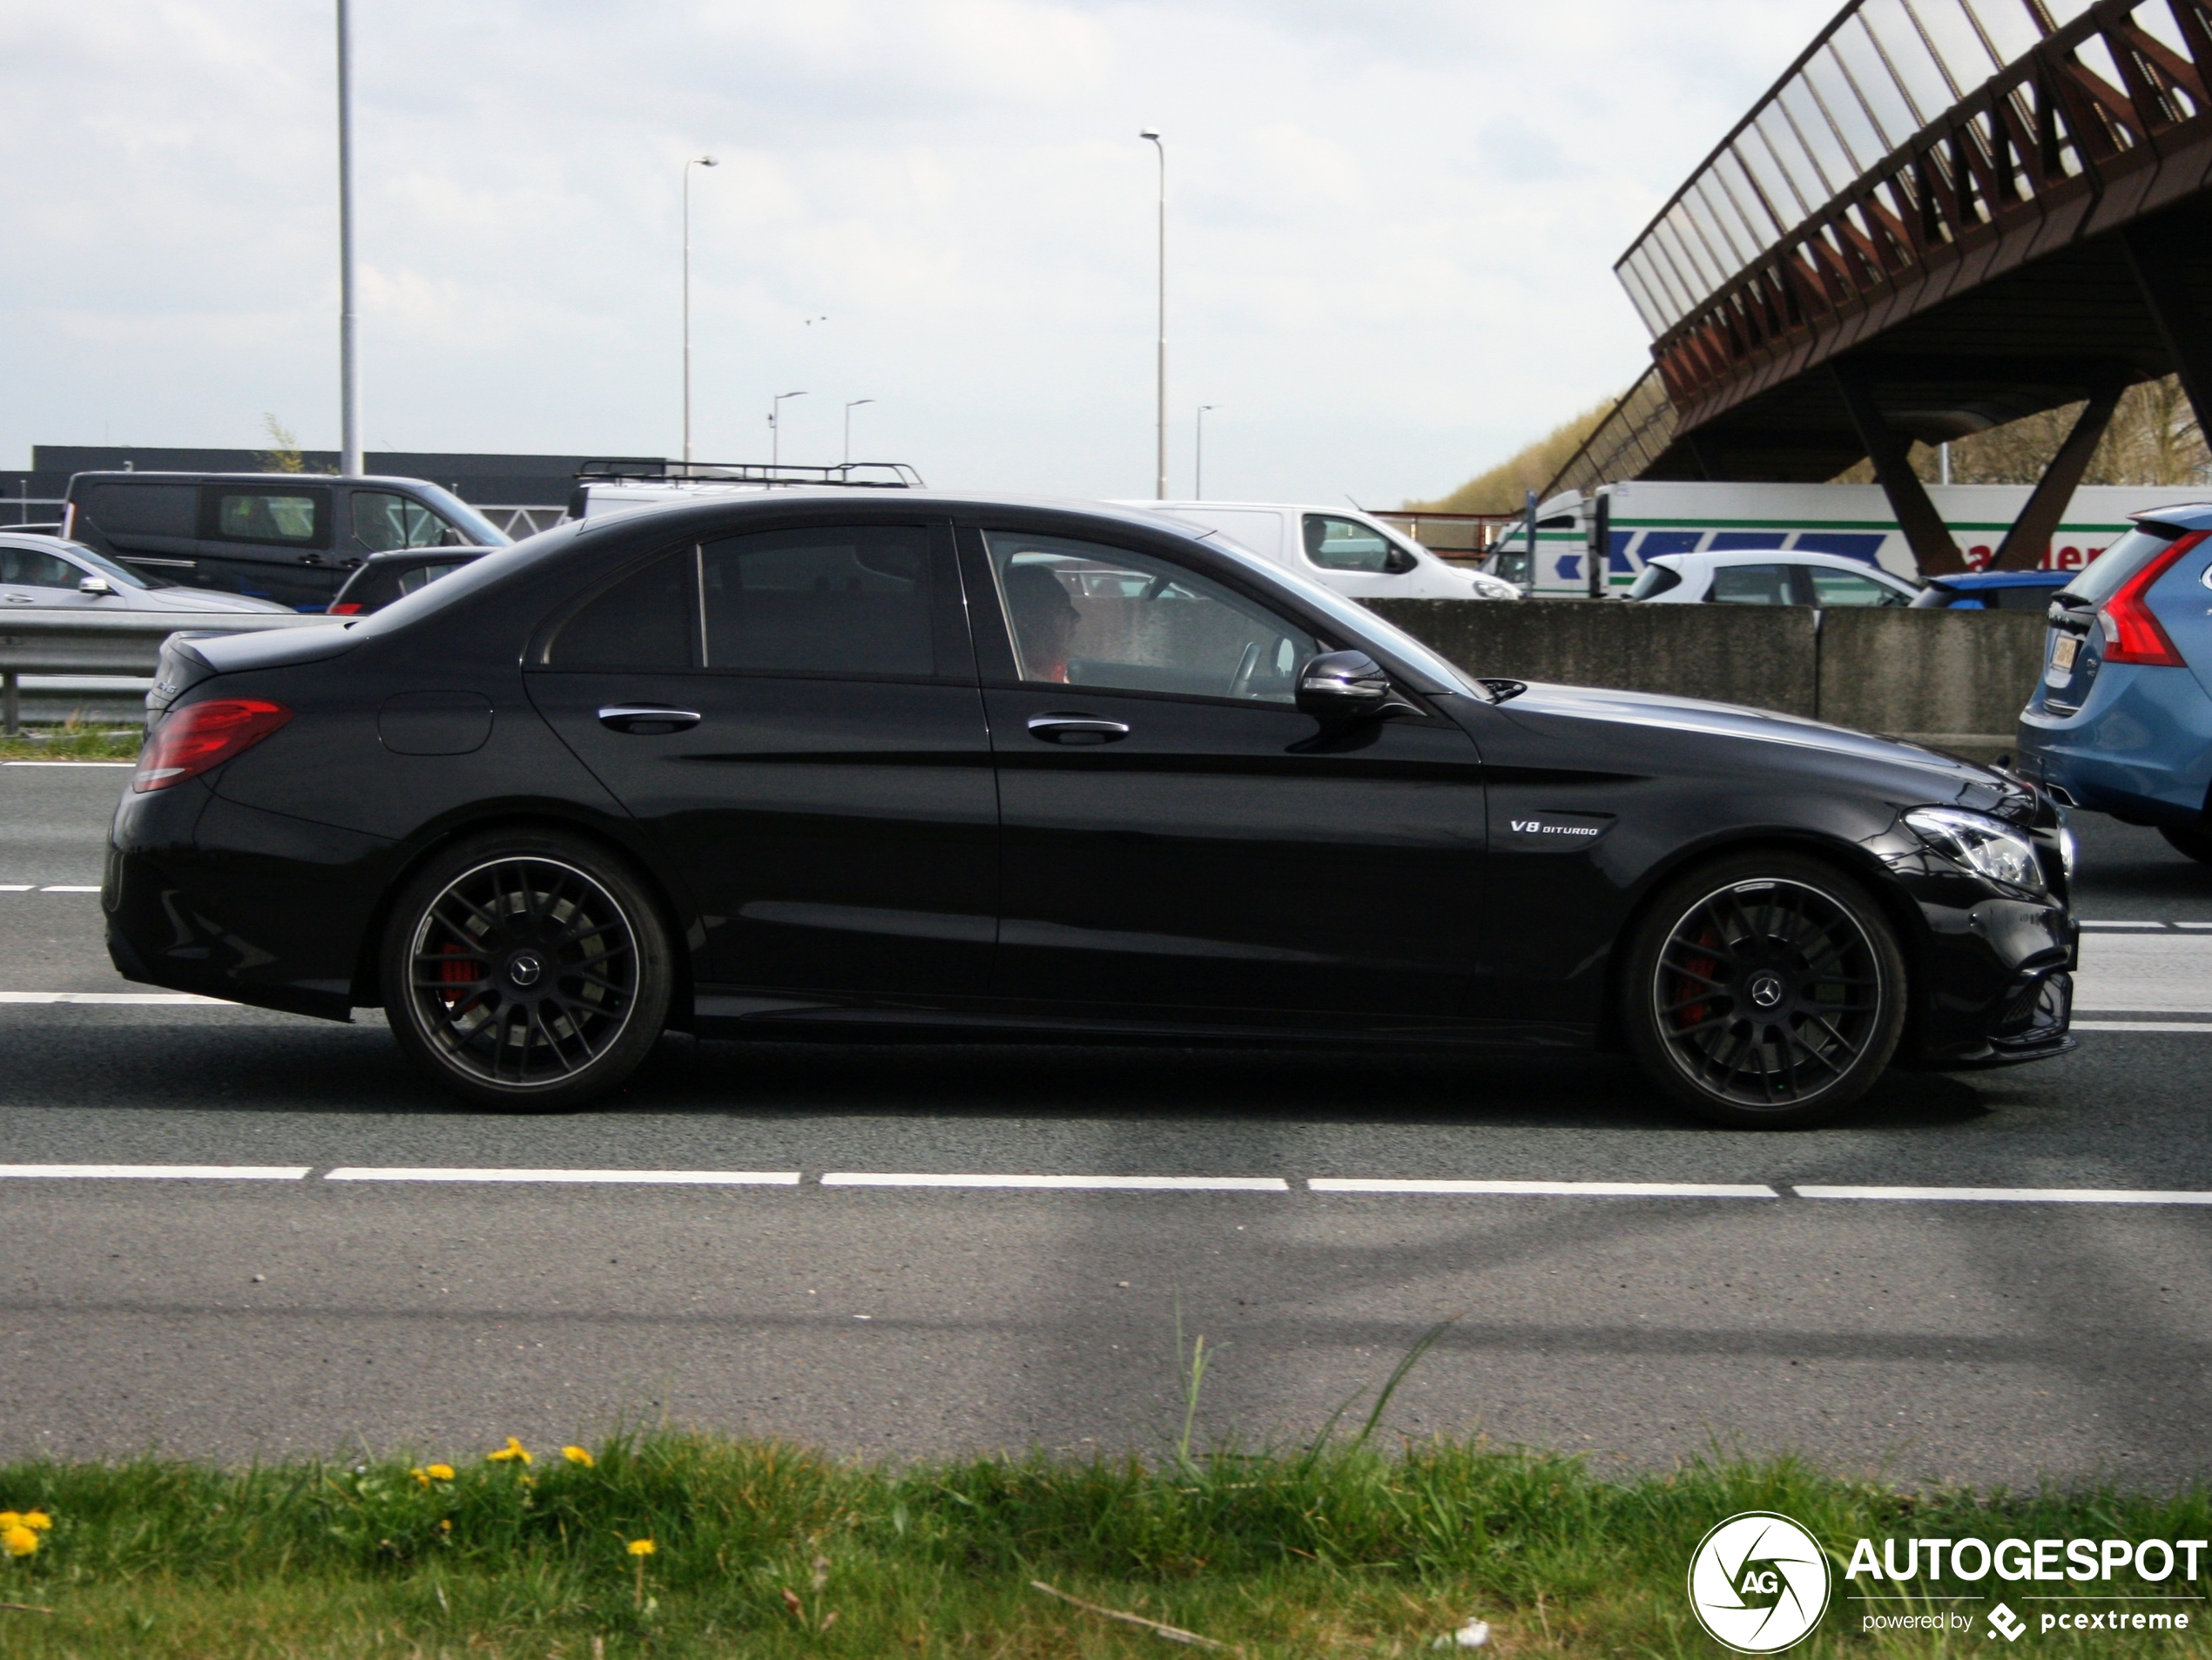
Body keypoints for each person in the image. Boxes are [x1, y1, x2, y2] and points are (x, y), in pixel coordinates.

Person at [1001, 560, 1081, 683]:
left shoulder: (1049, 671)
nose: (1077, 617)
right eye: (1062, 609)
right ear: (1025, 621)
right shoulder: (1028, 682)